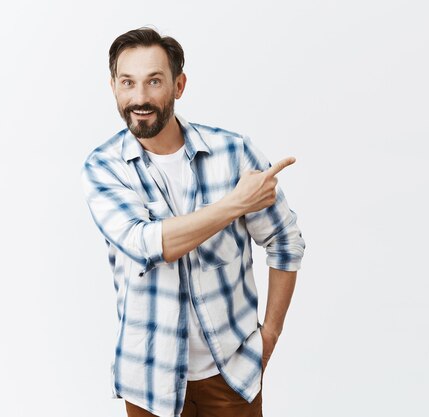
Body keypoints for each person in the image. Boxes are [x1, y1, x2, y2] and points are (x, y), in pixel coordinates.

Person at [80, 27, 305, 417]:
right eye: (127, 83)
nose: (140, 98)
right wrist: (235, 203)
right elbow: (148, 243)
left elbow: (285, 242)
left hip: (232, 375)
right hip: (149, 381)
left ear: (178, 85)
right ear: (113, 86)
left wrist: (269, 336)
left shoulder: (233, 152)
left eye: (154, 81)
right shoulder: (103, 168)